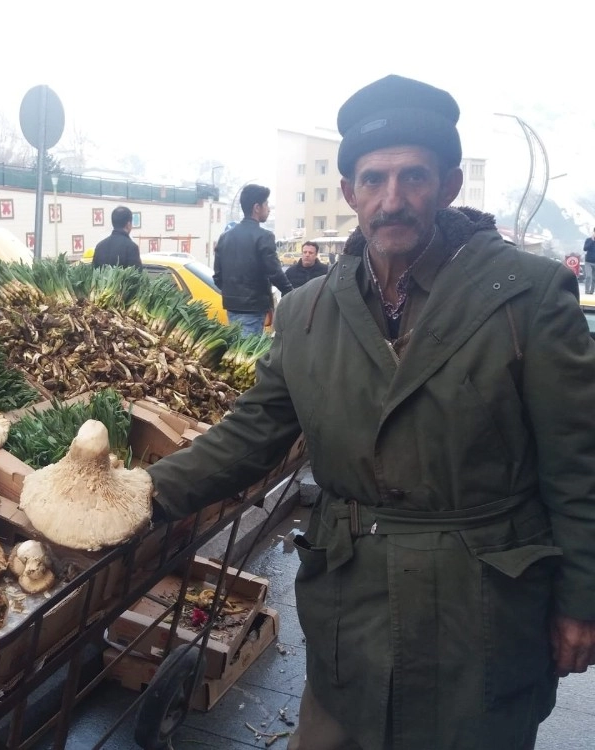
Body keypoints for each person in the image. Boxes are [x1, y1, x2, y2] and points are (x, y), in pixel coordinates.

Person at [147, 74, 595, 750]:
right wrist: (143, 494)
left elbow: (577, 464)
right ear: (350, 189)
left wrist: (581, 601)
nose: (393, 200)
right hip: (353, 607)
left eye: (413, 176)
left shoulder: (526, 297)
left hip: (483, 610)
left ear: (448, 185)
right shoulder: (307, 313)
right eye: (374, 178)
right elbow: (251, 433)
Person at [212, 184, 293, 335]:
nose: (268, 209)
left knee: (236, 351)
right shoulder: (264, 236)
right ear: (257, 207)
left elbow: (217, 277)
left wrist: (234, 294)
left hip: (232, 307)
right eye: (266, 204)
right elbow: (274, 272)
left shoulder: (225, 237)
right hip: (253, 309)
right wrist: (291, 292)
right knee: (246, 355)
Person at [584, 228, 595, 294]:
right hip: (588, 262)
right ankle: (586, 291)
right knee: (588, 276)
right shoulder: (588, 240)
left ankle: (592, 291)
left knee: (594, 278)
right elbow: (585, 248)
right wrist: (592, 241)